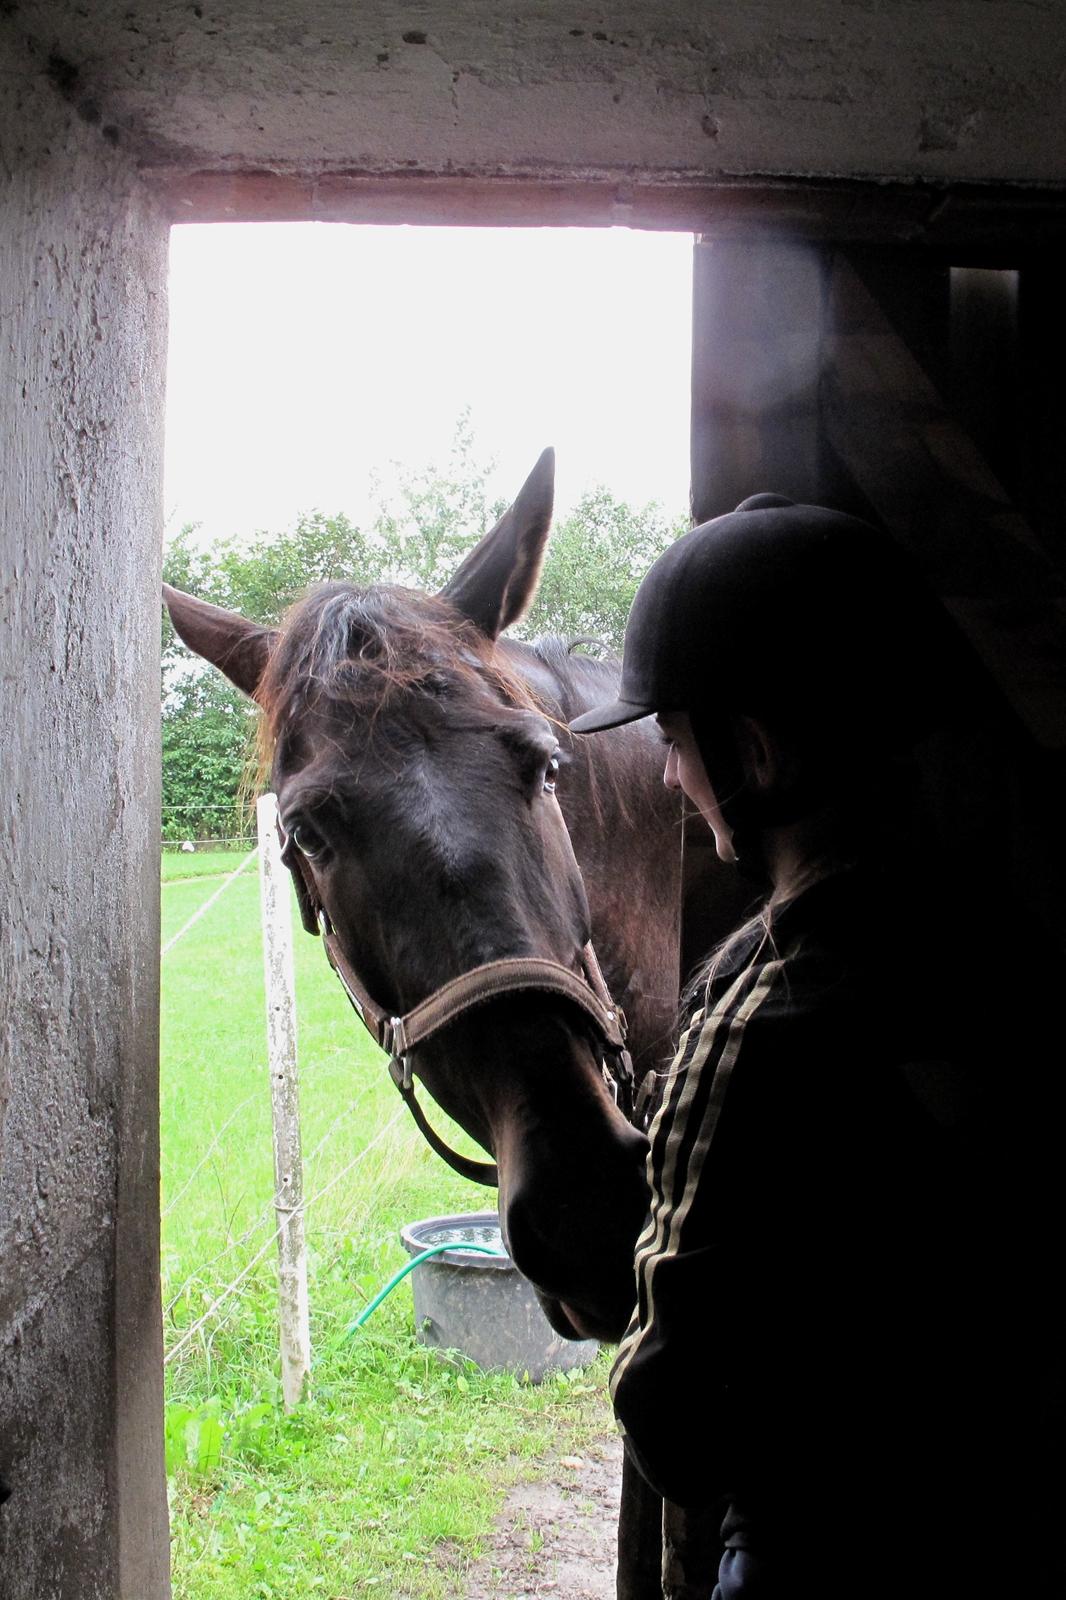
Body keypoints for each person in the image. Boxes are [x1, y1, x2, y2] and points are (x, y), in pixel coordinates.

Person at [569, 495, 1064, 1599]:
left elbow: (675, 1417)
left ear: (751, 752)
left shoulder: (765, 1019)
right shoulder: (1007, 947)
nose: (663, 778)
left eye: (671, 740)